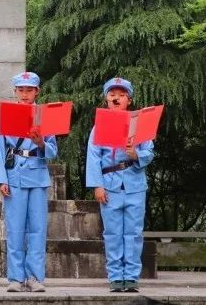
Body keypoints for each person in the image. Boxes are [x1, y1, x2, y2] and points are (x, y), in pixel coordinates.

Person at [85, 77, 155, 293]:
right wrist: (97, 185)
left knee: (133, 233)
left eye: (121, 95)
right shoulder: (99, 126)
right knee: (113, 233)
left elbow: (149, 152)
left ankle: (131, 277)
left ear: (129, 99)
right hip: (110, 184)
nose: (116, 98)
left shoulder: (140, 123)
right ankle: (116, 276)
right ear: (106, 98)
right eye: (112, 94)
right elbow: (93, 157)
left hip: (134, 183)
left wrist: (136, 154)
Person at [0, 71, 58, 292]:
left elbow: (53, 151)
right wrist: (0, 180)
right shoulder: (7, 114)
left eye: (29, 90)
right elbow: (0, 149)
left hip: (37, 175)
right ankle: (16, 277)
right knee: (15, 229)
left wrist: (40, 144)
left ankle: (35, 277)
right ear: (15, 92)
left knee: (38, 229)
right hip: (15, 175)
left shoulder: (45, 115)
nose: (25, 94)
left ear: (37, 91)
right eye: (21, 90)